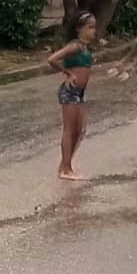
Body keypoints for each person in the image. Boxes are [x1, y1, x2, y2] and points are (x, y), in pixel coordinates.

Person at [47, 12, 97, 181]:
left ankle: (65, 163)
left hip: (79, 93)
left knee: (80, 129)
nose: (93, 31)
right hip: (70, 91)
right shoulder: (74, 46)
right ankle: (66, 169)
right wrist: (67, 73)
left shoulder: (84, 47)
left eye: (94, 27)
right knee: (69, 130)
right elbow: (52, 59)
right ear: (79, 29)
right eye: (89, 27)